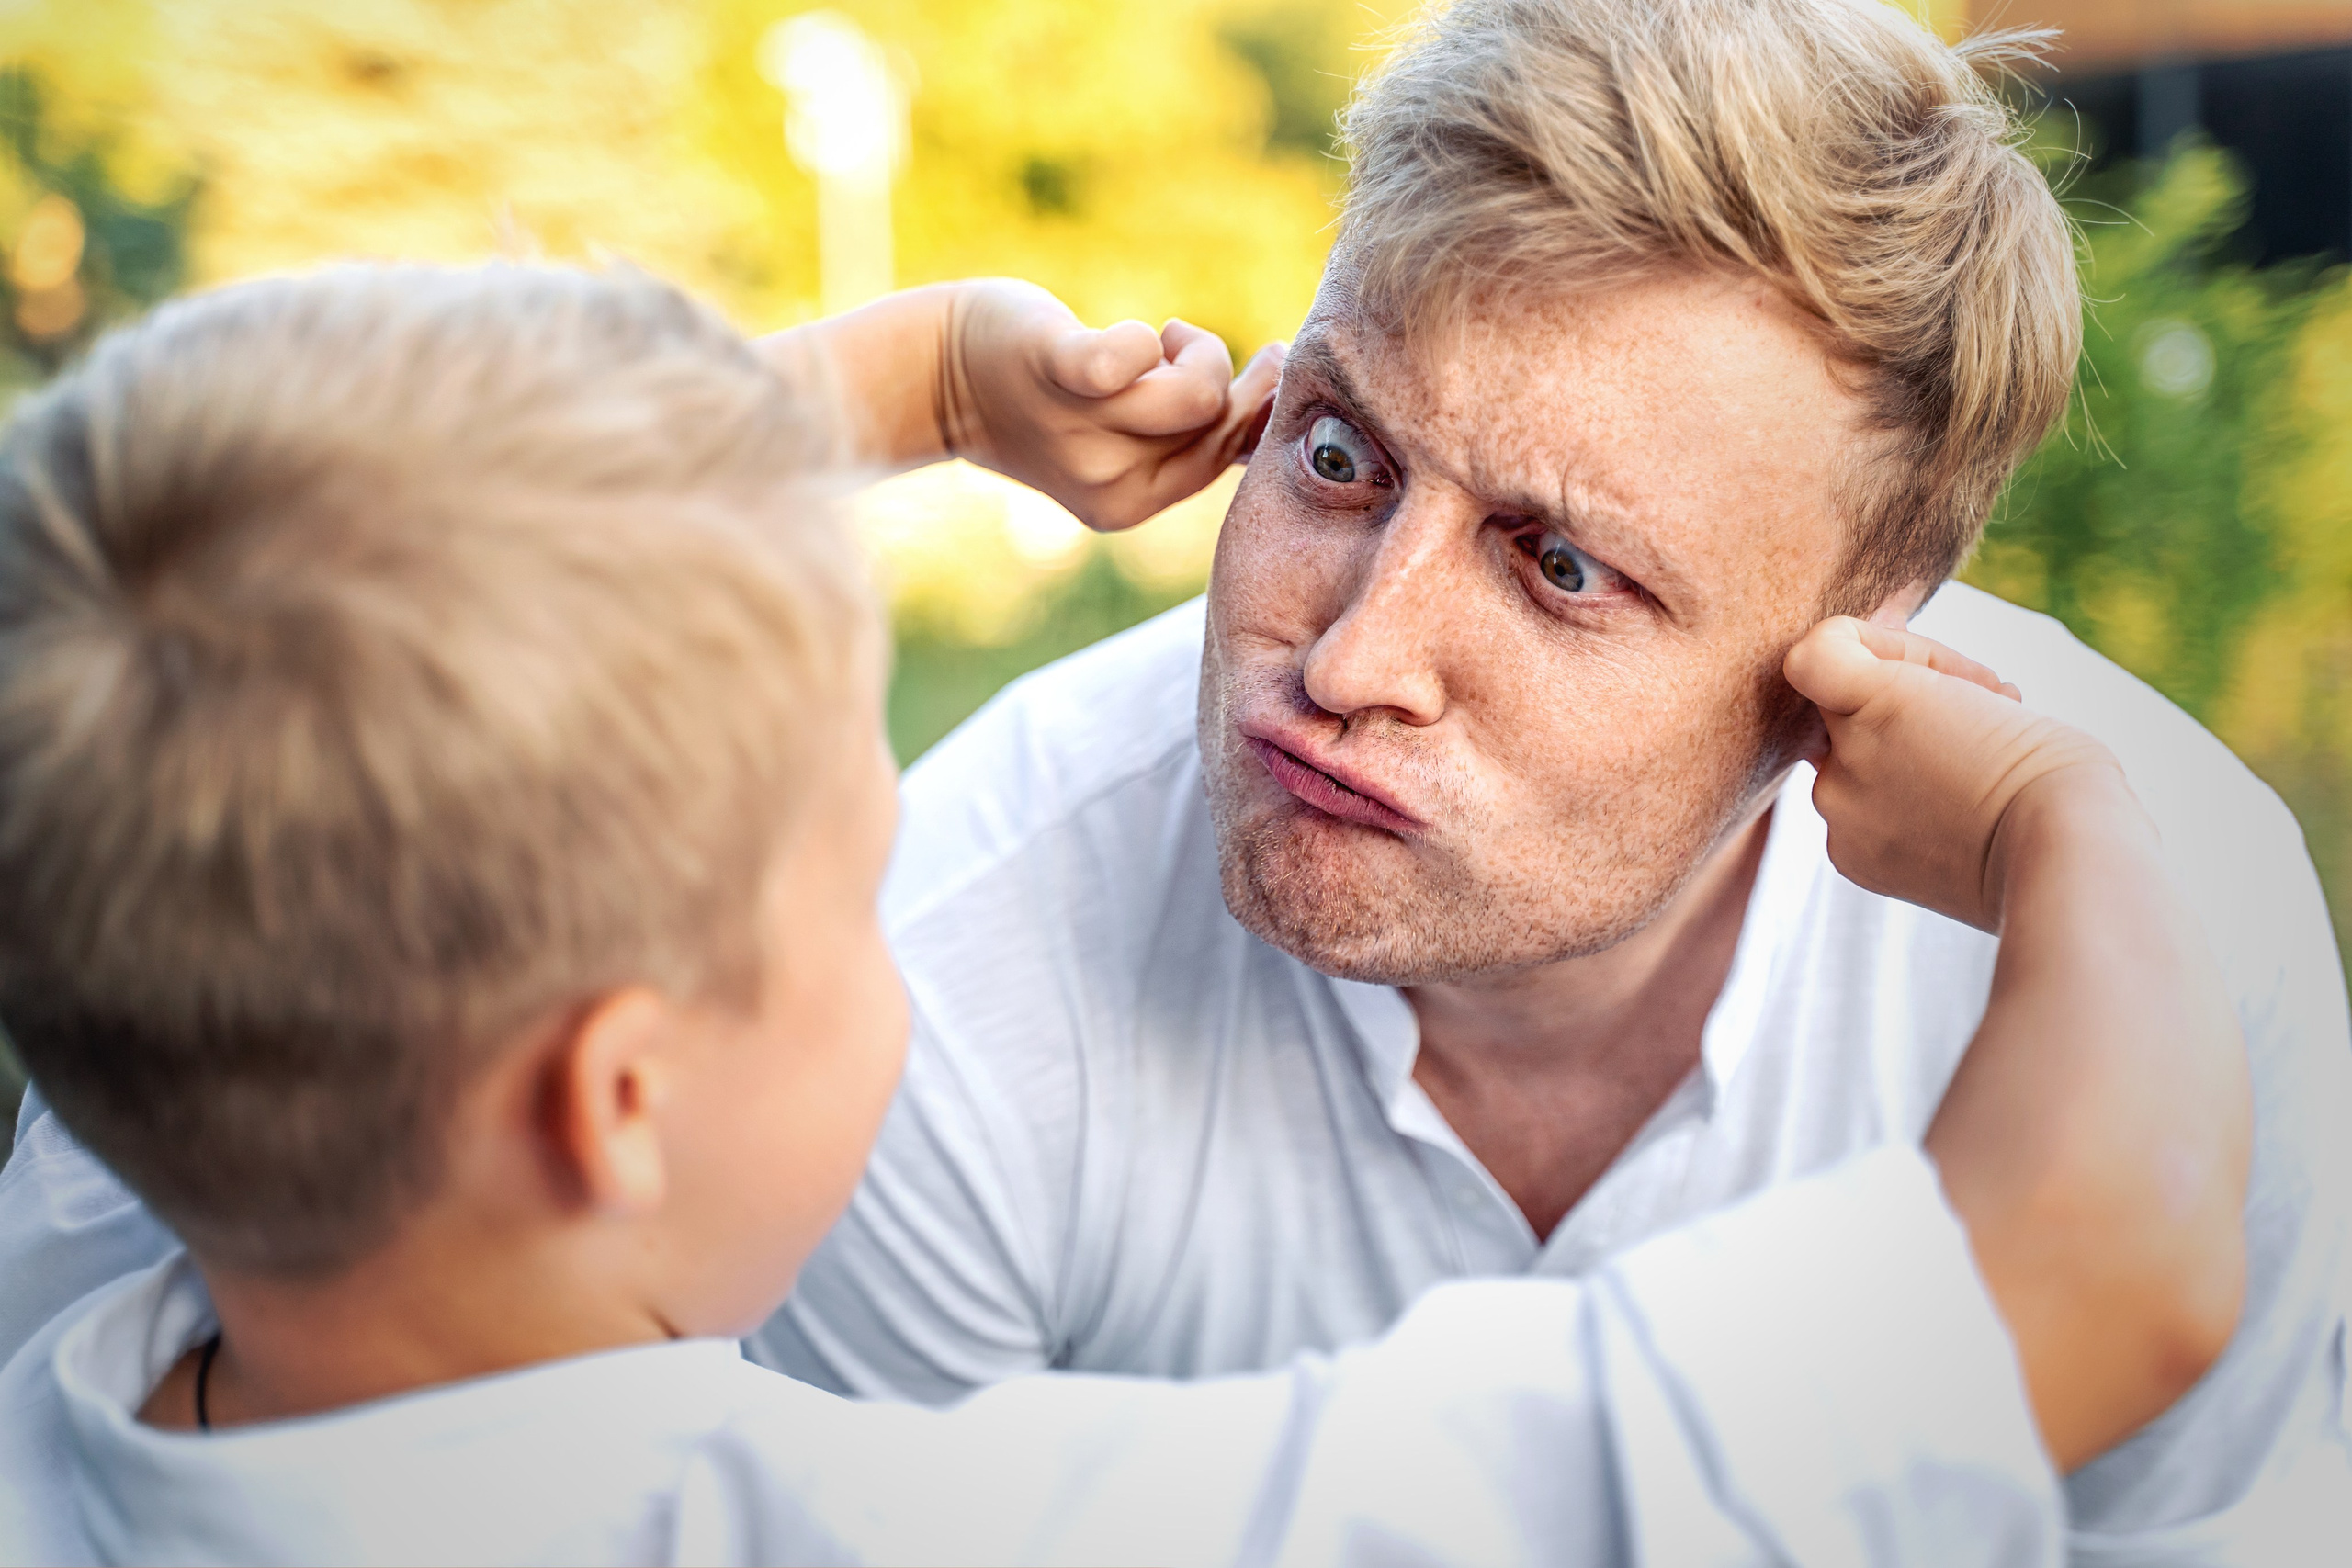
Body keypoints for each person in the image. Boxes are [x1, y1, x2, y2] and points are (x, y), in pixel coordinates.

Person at [0, 260, 2248, 1565]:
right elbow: (2095, 1266)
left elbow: (289, 624)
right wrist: (2077, 813)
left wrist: (905, 387)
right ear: (618, 1095)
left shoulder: (102, 1214)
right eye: (863, 884)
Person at [757, 2, 2352, 1559]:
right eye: (1336, 455)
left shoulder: (2159, 943)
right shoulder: (940, 970)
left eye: (1563, 565)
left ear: (1858, 656)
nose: (1350, 662)